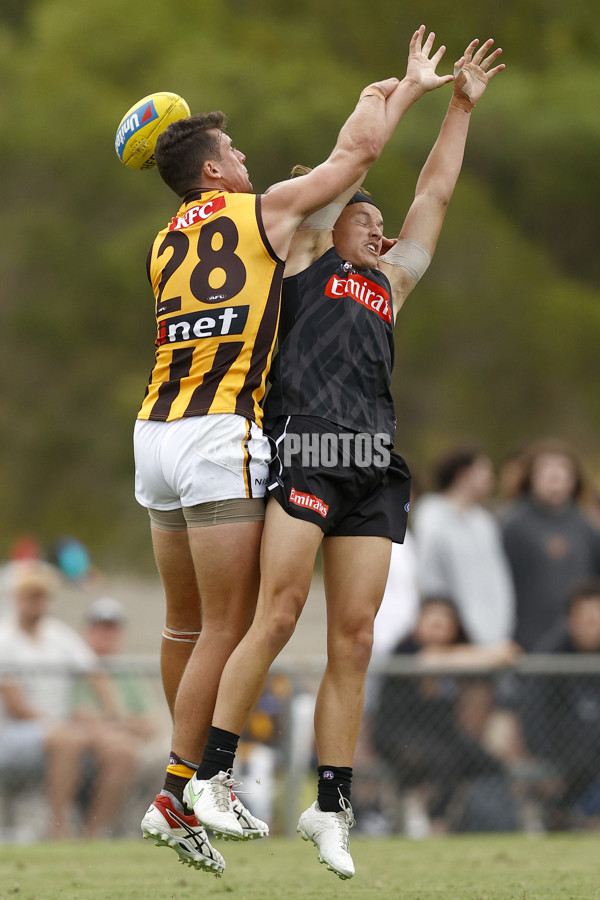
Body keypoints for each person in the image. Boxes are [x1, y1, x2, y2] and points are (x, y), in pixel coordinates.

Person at [135, 25, 452, 877]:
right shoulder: (270, 215)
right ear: (213, 172)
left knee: (187, 624)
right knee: (237, 626)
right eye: (230, 151)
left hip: (154, 430)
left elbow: (423, 204)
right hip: (224, 434)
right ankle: (193, 781)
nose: (241, 158)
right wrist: (401, 91)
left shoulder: (168, 239)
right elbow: (357, 151)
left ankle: (187, 788)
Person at [0, 562, 137, 839]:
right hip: (13, 733)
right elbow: (16, 706)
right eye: (30, 595)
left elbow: (95, 674)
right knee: (68, 739)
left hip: (58, 729)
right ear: (17, 597)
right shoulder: (5, 638)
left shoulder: (58, 634)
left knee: (121, 748)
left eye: (41, 595)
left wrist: (113, 718)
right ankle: (58, 830)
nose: (36, 602)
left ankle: (92, 834)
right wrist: (60, 725)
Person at [372, 596, 518, 836]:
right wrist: (494, 654)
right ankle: (426, 820)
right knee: (440, 760)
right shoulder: (406, 649)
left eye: (445, 621)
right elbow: (432, 660)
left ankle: (485, 820)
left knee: (489, 764)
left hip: (442, 734)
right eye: (432, 619)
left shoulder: (460, 653)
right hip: (399, 732)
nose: (438, 626)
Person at [502, 438, 600, 650]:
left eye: (563, 469)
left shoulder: (587, 527)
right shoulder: (512, 526)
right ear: (531, 477)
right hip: (525, 643)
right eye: (546, 469)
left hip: (579, 649)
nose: (555, 475)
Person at [412, 446, 516, 645]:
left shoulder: (484, 522)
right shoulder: (431, 515)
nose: (490, 478)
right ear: (463, 474)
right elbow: (430, 575)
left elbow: (497, 579)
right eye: (484, 470)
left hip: (493, 632)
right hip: (450, 633)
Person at [521, 578, 600, 829]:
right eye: (586, 618)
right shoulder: (550, 657)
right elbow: (534, 715)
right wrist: (546, 759)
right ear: (570, 620)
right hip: (564, 755)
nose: (593, 625)